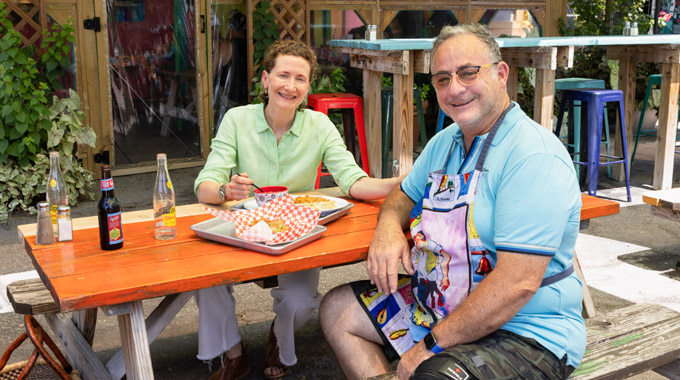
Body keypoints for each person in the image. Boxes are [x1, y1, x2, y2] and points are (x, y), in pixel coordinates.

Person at [319, 23, 585, 380]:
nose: (454, 88)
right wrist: (386, 229)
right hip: (442, 306)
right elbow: (402, 193)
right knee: (339, 311)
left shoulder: (532, 155)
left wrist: (428, 347)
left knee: (431, 375)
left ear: (500, 74)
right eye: (442, 79)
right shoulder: (445, 142)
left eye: (468, 73)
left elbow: (515, 285)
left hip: (525, 332)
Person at [194, 39, 404, 380]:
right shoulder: (237, 120)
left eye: (300, 79)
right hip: (246, 227)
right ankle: (234, 355)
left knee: (299, 299)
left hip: (296, 231)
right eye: (283, 75)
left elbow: (353, 181)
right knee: (204, 281)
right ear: (265, 79)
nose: (290, 86)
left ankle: (279, 335)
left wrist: (398, 182)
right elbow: (204, 185)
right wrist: (225, 189)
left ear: (308, 87)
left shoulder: (319, 126)